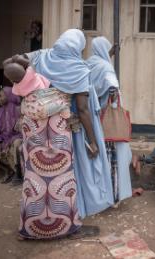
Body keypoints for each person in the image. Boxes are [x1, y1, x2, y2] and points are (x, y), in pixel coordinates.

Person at [14, 29, 111, 240]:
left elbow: (17, 65)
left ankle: (30, 228)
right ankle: (67, 228)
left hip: (32, 126)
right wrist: (92, 141)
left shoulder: (41, 56)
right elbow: (83, 109)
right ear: (77, 47)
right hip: (58, 126)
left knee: (34, 177)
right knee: (61, 178)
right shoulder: (78, 69)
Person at [87, 36, 132, 206]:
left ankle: (98, 196)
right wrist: (113, 97)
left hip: (92, 117)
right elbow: (111, 85)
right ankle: (113, 197)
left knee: (96, 158)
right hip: (108, 121)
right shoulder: (106, 67)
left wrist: (110, 54)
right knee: (112, 159)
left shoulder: (89, 63)